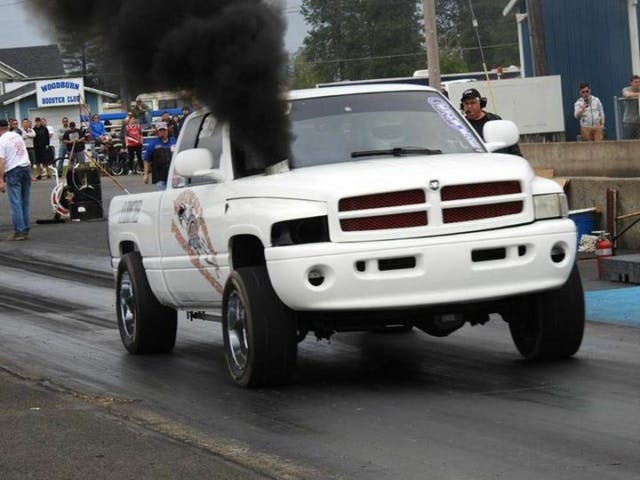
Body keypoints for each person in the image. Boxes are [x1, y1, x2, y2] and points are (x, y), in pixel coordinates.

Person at [460, 88, 522, 156]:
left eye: (473, 103)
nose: (469, 106)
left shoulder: (495, 120)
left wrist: (518, 157)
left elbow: (510, 144)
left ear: (481, 103)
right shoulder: (461, 125)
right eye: (466, 103)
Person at [0, 118, 32, 240]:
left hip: (14, 170)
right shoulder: (17, 136)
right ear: (7, 127)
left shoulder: (1, 141)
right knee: (25, 201)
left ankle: (19, 231)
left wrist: (1, 180)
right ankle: (25, 228)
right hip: (25, 167)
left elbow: (1, 162)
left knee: (16, 202)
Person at [143, 122, 176, 191]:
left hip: (173, 176)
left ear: (167, 131)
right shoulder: (152, 144)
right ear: (157, 132)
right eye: (160, 131)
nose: (163, 132)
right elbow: (146, 159)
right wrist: (146, 174)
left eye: (164, 130)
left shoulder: (174, 141)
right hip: (159, 177)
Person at [621, 74, 640, 139]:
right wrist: (638, 94)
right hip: (629, 122)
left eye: (639, 82)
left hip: (639, 121)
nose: (637, 84)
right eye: (635, 82)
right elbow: (626, 94)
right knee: (627, 142)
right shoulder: (626, 89)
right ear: (631, 83)